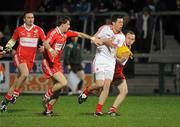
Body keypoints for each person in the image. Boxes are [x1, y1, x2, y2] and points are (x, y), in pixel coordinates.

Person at [41, 16, 102, 116]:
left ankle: (48, 109)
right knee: (64, 82)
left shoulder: (66, 33)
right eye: (68, 24)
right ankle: (47, 94)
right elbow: (46, 43)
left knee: (58, 89)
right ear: (62, 25)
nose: (69, 26)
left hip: (56, 63)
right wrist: (51, 50)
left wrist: (92, 38)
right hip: (48, 63)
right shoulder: (54, 33)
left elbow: (79, 34)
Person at [78, 16, 126, 116]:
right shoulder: (104, 28)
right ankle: (87, 90)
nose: (122, 24)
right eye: (119, 22)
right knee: (99, 84)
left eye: (122, 22)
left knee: (106, 85)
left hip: (111, 62)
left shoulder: (122, 37)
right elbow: (93, 40)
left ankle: (98, 110)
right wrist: (104, 41)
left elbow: (118, 52)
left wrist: (122, 57)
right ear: (113, 23)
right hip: (100, 59)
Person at [0, 11, 46, 112]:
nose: (31, 19)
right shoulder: (19, 29)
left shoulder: (39, 30)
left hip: (30, 60)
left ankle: (4, 102)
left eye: (32, 17)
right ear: (24, 19)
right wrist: (6, 48)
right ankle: (16, 94)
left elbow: (46, 42)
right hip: (19, 56)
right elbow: (12, 41)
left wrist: (45, 48)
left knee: (17, 81)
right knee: (25, 74)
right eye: (28, 17)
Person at [108, 30, 136, 116]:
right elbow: (120, 61)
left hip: (117, 72)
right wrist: (114, 55)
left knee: (124, 91)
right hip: (113, 71)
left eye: (132, 39)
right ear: (125, 37)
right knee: (99, 92)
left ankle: (112, 110)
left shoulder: (127, 48)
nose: (130, 40)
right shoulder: (120, 45)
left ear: (134, 41)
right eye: (128, 38)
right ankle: (87, 91)